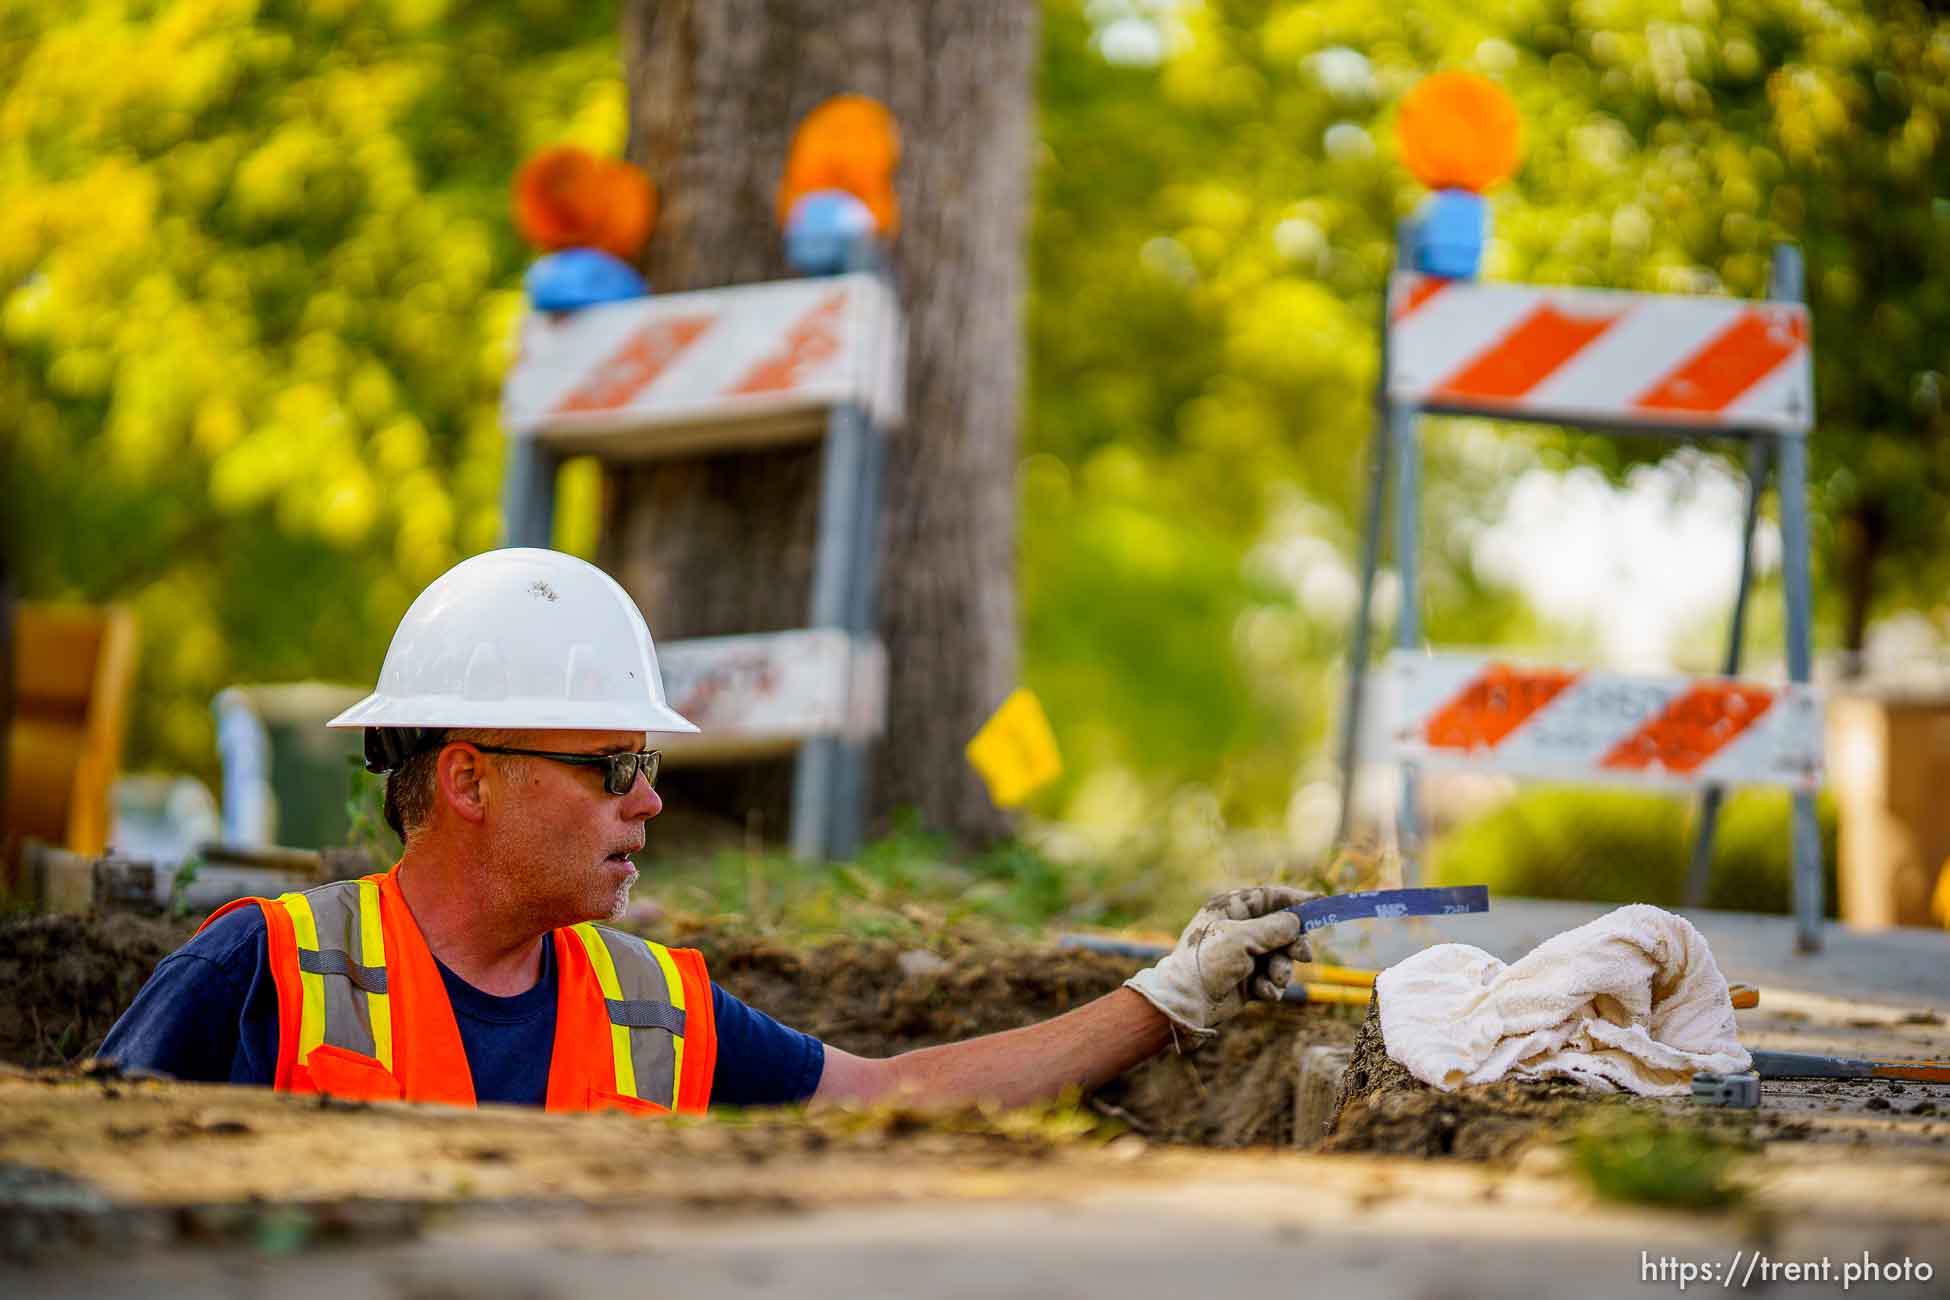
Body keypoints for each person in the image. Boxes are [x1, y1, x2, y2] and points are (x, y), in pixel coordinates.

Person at [102, 549, 1313, 1113]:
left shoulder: (657, 1011)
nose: (650, 798)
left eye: (650, 763)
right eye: (615, 764)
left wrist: (1168, 996)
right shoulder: (256, 974)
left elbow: (897, 1091)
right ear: (467, 778)